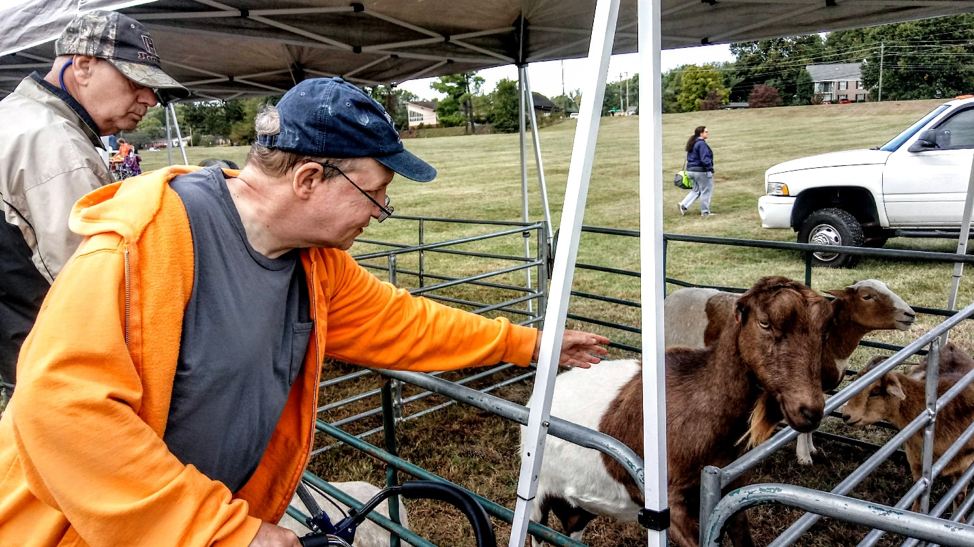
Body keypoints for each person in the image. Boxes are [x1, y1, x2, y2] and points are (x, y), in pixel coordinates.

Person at [0, 77, 610, 547]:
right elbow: (61, 411)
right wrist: (223, 529)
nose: (379, 212)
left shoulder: (312, 263)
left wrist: (527, 344)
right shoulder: (146, 243)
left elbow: (402, 323)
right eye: (376, 193)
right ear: (311, 178)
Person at [0, 10, 187, 404]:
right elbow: (91, 285)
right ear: (83, 65)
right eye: (136, 81)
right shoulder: (56, 147)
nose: (150, 100)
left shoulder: (14, 117)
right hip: (59, 373)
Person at [678, 126, 716, 216]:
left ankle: (683, 205)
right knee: (706, 191)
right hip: (701, 171)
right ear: (701, 133)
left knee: (696, 190)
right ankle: (705, 212)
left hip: (690, 170)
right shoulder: (702, 144)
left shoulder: (692, 143)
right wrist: (711, 170)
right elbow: (704, 159)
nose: (707, 133)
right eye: (706, 132)